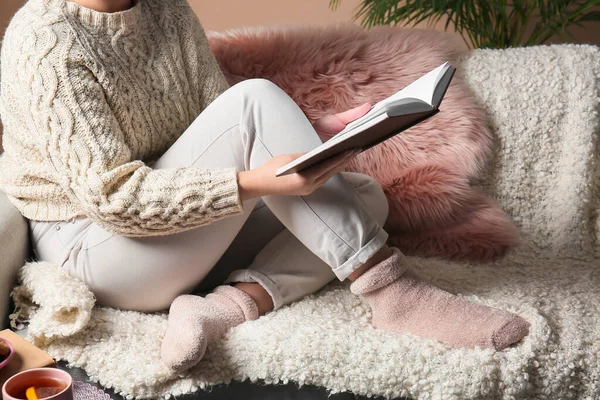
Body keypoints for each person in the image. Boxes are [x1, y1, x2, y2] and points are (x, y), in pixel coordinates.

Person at [0, 0, 529, 372]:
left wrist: (318, 134)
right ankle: (393, 293)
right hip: (95, 247)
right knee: (255, 99)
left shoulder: (167, 10)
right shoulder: (46, 42)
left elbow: (213, 126)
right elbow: (113, 200)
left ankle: (221, 308)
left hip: (175, 230)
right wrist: (253, 183)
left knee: (362, 196)